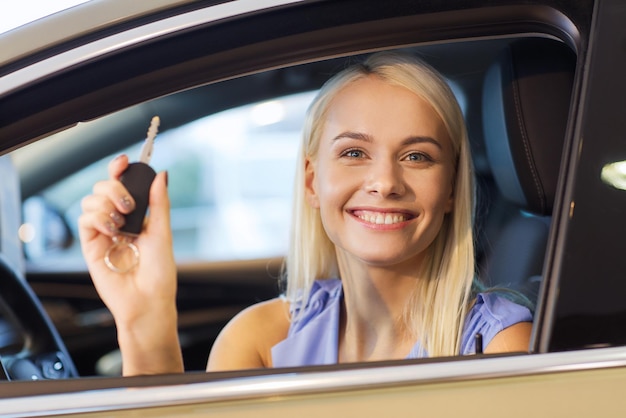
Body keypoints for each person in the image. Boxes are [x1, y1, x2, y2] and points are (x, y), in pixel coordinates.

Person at [78, 52, 532, 376]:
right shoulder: (260, 340)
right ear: (313, 182)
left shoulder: (496, 347)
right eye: (354, 152)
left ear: (451, 187)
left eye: (417, 157)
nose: (385, 182)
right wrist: (145, 320)